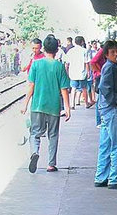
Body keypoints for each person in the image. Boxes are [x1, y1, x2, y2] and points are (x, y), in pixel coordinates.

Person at [22, 34, 71, 173]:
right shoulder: (59, 66)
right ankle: (51, 164)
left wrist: (25, 104)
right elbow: (64, 89)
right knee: (53, 135)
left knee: (35, 133)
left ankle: (34, 152)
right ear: (57, 50)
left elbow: (31, 86)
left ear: (43, 48)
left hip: (37, 105)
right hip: (53, 107)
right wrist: (67, 108)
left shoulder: (36, 64)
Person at [94, 40, 117, 190]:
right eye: (112, 52)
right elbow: (104, 87)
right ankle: (114, 179)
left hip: (104, 109)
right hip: (111, 109)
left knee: (105, 144)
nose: (116, 54)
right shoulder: (110, 67)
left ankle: (101, 176)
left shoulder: (108, 66)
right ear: (106, 54)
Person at [64, 35, 92, 109]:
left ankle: (72, 104)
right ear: (82, 42)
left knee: (73, 88)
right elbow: (86, 62)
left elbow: (67, 63)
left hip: (73, 72)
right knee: (84, 88)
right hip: (82, 72)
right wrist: (89, 72)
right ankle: (86, 103)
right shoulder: (84, 51)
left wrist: (66, 71)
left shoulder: (71, 51)